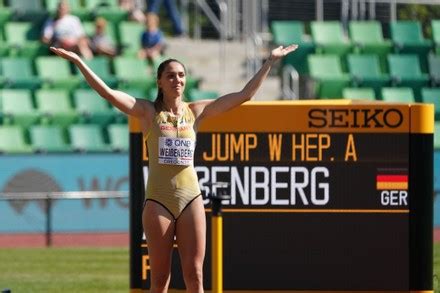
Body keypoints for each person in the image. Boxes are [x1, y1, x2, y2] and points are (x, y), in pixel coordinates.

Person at [49, 43, 298, 293]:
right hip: (159, 201)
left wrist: (270, 62)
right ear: (159, 82)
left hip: (191, 199)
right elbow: (108, 93)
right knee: (160, 280)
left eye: (181, 75)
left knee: (195, 276)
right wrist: (79, 62)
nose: (176, 79)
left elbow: (244, 95)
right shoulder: (147, 111)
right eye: (170, 75)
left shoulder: (196, 111)